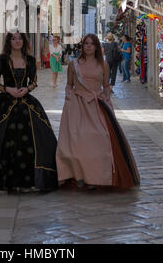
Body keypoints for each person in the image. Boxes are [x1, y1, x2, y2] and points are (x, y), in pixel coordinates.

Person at [0, 32, 58, 194]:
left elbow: (34, 81)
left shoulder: (29, 60)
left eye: (19, 38)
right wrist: (8, 89)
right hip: (5, 103)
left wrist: (26, 89)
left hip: (26, 104)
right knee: (2, 140)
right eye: (13, 39)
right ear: (9, 42)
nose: (17, 41)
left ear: (24, 41)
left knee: (31, 142)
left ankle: (28, 181)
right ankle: (5, 181)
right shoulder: (1, 59)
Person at [56, 33, 140, 190]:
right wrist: (68, 97)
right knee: (77, 140)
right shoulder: (74, 64)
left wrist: (106, 98)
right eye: (86, 43)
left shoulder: (104, 65)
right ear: (82, 46)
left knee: (100, 139)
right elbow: (69, 85)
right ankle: (80, 176)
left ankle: (98, 177)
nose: (88, 46)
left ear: (96, 46)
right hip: (78, 106)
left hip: (97, 106)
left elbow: (106, 85)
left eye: (91, 43)